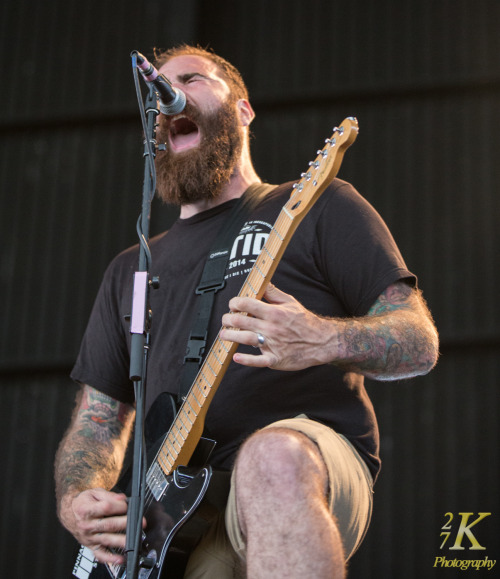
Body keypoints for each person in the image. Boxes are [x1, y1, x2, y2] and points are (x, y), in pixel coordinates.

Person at [54, 44, 439, 578]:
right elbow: (98, 421)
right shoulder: (131, 270)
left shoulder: (317, 204)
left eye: (190, 78)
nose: (168, 98)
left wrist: (323, 340)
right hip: (175, 510)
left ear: (242, 108)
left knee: (272, 459)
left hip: (304, 460)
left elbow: (418, 341)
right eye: (155, 95)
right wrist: (79, 499)